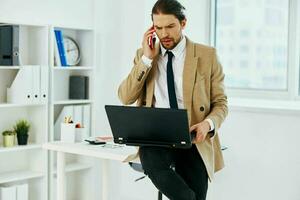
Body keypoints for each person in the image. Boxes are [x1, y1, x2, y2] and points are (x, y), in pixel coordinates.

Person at [118, 0, 228, 199]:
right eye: (158, 28)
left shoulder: (207, 55)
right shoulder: (144, 56)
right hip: (157, 136)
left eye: (170, 26)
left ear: (183, 23)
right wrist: (147, 59)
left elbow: (221, 103)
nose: (164, 34)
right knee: (151, 159)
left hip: (193, 134)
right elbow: (125, 96)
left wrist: (207, 124)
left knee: (196, 188)